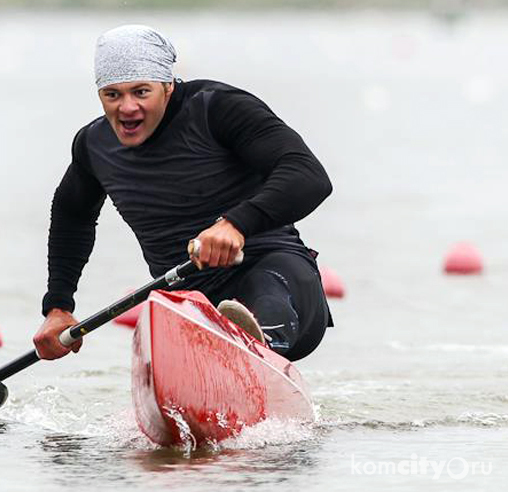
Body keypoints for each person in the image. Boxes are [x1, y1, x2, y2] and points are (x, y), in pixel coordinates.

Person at [33, 24, 333, 362]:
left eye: (141, 92)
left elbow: (308, 175)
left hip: (277, 278)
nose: (127, 108)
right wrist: (58, 306)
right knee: (180, 312)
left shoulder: (218, 109)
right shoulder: (93, 145)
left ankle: (254, 347)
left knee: (266, 289)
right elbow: (71, 218)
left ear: (167, 86)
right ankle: (221, 355)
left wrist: (235, 224)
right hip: (188, 301)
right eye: (112, 95)